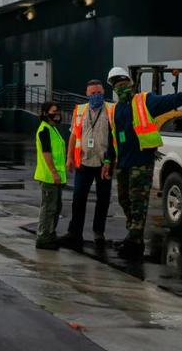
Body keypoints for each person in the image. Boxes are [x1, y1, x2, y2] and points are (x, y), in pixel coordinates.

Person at [106, 66, 182, 259]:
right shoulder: (114, 110)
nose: (121, 87)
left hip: (142, 161)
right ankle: (133, 234)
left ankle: (135, 241)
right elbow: (112, 137)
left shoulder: (143, 101)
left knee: (138, 202)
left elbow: (166, 101)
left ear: (130, 84)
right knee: (125, 200)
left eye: (124, 83)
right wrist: (109, 160)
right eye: (117, 84)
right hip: (123, 163)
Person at [59, 80, 116, 250]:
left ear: (103, 92)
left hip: (104, 163)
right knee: (78, 199)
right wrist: (69, 157)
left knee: (103, 200)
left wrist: (111, 160)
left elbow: (115, 138)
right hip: (83, 163)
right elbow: (73, 136)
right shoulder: (80, 110)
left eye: (98, 92)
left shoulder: (112, 110)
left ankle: (99, 233)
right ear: (87, 94)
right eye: (92, 93)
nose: (95, 96)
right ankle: (74, 232)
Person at [34, 101, 67, 250]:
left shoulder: (53, 129)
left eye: (58, 110)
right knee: (48, 208)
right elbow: (46, 153)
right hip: (48, 177)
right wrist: (54, 172)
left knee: (55, 207)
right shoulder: (45, 130)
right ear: (46, 113)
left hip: (55, 177)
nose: (57, 114)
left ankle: (50, 234)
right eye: (54, 111)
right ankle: (44, 237)